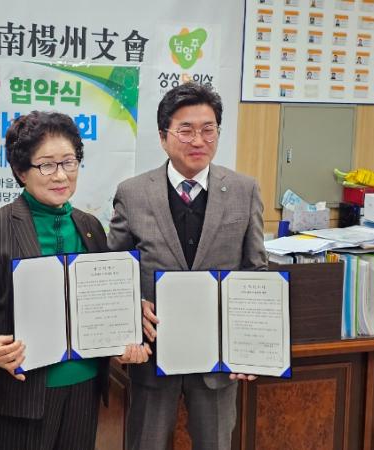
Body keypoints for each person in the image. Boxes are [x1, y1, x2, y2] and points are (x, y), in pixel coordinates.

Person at [0, 111, 151, 450]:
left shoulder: (90, 227)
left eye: (69, 162)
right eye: (46, 165)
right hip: (22, 390)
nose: (60, 175)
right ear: (20, 171)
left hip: (85, 385)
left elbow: (102, 301)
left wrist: (126, 333)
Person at [108, 83, 267, 450]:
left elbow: (255, 271)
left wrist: (252, 346)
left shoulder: (244, 190)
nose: (198, 140)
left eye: (208, 129)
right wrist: (133, 309)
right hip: (152, 356)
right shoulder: (133, 193)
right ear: (163, 137)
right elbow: (115, 271)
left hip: (217, 359)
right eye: (186, 130)